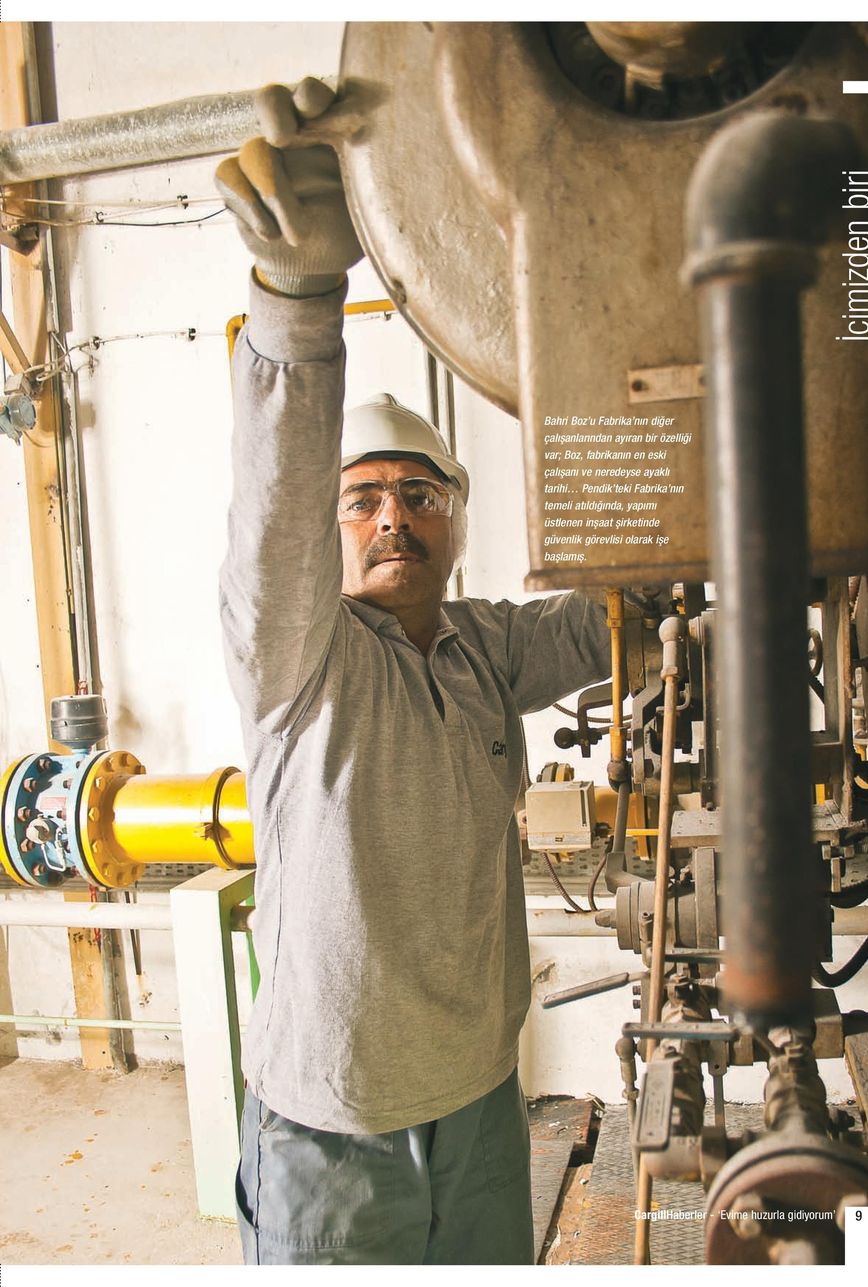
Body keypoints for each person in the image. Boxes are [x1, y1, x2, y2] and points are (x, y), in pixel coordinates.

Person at [216, 78, 612, 1266]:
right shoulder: (301, 659)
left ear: (456, 520)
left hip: (485, 1101)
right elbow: (273, 521)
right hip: (332, 1130)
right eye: (364, 500)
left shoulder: (488, 646)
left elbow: (630, 617)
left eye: (419, 494)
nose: (394, 517)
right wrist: (298, 301)